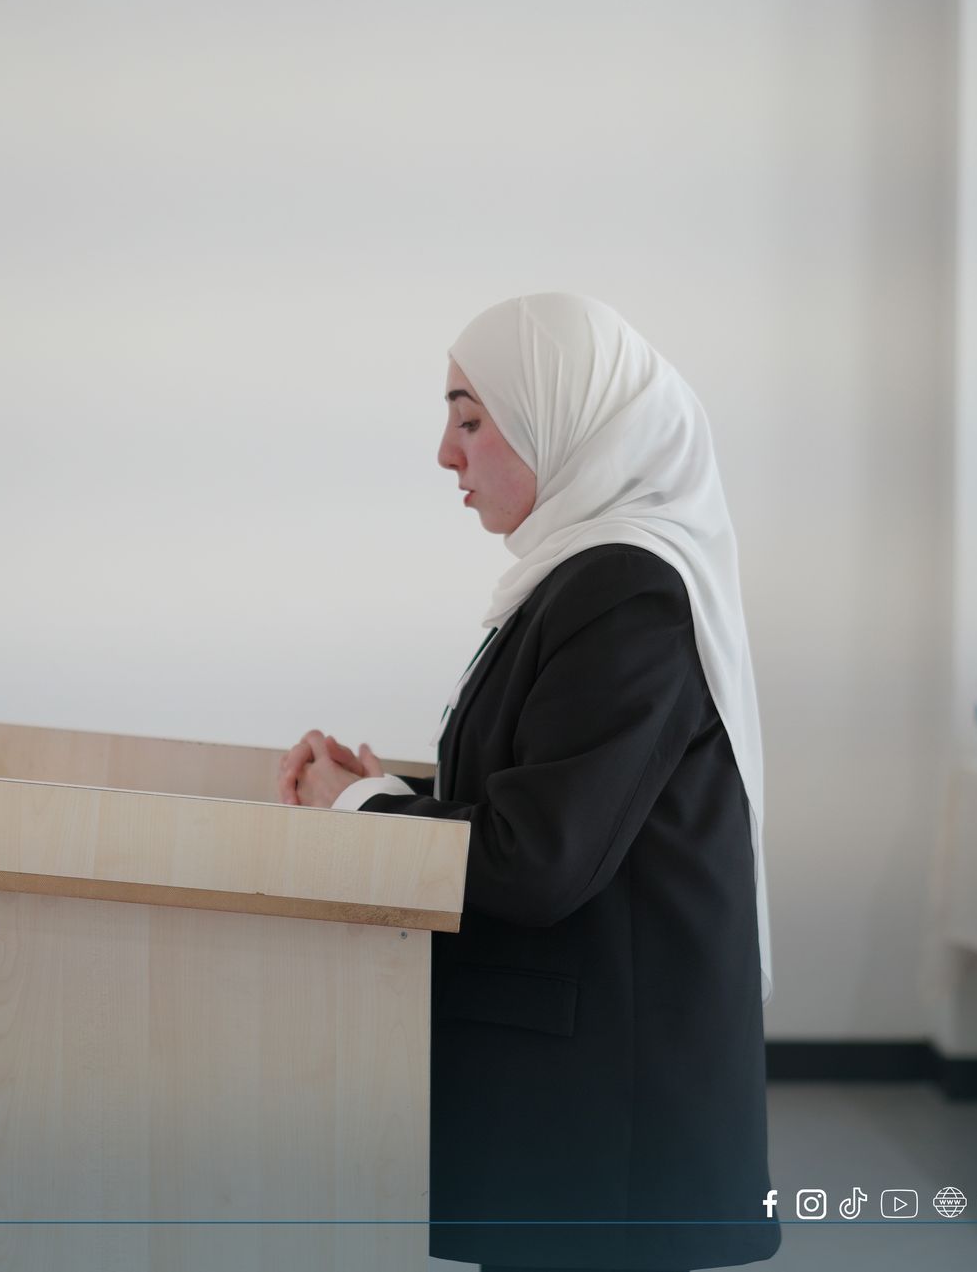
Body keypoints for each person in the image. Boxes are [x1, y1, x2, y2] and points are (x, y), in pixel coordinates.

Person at [277, 293, 779, 1272]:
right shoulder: (579, 577)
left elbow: (537, 859)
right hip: (581, 1094)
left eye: (471, 420)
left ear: (566, 419)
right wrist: (393, 794)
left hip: (607, 1116)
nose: (446, 453)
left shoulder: (627, 589)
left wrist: (360, 810)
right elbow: (546, 793)